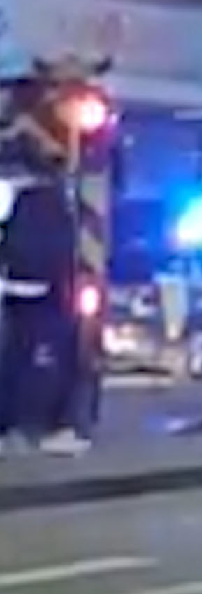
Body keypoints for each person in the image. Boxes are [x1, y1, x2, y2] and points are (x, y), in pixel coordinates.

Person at [0, 157, 81, 453]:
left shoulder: (18, 201)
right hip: (45, 291)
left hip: (16, 290)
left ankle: (9, 426)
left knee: (13, 360)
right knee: (59, 358)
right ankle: (57, 425)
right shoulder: (54, 205)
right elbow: (63, 251)